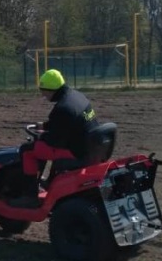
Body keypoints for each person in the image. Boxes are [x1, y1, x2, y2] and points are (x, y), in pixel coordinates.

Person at [13, 69, 99, 205]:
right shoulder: (77, 97)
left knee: (28, 150)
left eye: (43, 91)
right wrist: (45, 126)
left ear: (50, 90)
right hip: (91, 145)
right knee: (42, 146)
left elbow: (54, 141)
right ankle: (50, 181)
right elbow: (67, 122)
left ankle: (30, 195)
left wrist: (42, 137)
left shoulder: (62, 108)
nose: (42, 95)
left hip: (77, 151)